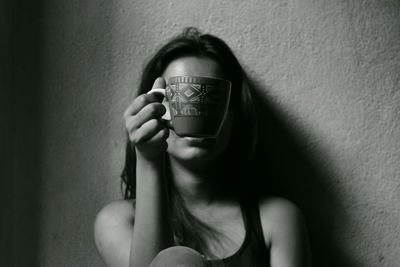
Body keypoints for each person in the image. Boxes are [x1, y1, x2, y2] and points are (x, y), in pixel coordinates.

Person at [94, 27, 311, 267]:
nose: (196, 110)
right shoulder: (118, 221)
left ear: (235, 114)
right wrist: (148, 159)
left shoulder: (278, 219)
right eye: (179, 98)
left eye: (212, 99)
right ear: (155, 106)